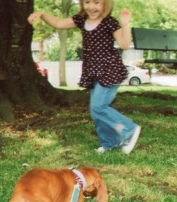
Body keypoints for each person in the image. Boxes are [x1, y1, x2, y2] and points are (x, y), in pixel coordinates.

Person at [28, 0, 141, 154]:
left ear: (105, 4)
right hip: (93, 71)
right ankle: (110, 143)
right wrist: (42, 14)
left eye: (97, 2)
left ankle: (129, 130)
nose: (91, 7)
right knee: (95, 111)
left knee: (98, 107)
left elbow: (124, 44)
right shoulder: (81, 20)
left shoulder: (109, 22)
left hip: (109, 70)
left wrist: (125, 24)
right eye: (87, 2)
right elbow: (59, 23)